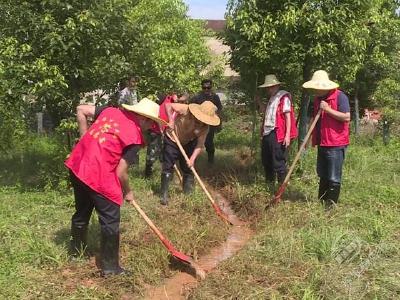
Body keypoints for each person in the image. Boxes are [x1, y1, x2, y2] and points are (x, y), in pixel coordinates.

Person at [65, 98, 165, 276]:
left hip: (78, 164)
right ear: (144, 118)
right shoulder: (134, 136)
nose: (151, 127)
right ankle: (110, 268)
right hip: (97, 172)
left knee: (82, 211)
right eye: (151, 123)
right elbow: (120, 172)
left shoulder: (109, 111)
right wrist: (128, 192)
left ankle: (76, 253)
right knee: (110, 219)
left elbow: (81, 108)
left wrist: (83, 138)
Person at [302, 70, 350, 208]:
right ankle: (321, 202)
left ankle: (331, 206)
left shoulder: (340, 97)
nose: (315, 90)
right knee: (323, 173)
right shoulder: (318, 99)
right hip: (323, 142)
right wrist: (307, 138)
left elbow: (346, 117)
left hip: (336, 143)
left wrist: (328, 109)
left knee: (334, 176)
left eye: (317, 88)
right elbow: (314, 119)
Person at [160, 101, 220, 205]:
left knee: (187, 169)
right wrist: (171, 120)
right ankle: (164, 195)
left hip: (188, 143)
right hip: (172, 138)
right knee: (168, 166)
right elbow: (168, 105)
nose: (200, 122)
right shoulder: (186, 109)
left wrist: (192, 159)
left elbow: (200, 145)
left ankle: (188, 195)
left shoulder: (205, 128)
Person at [258, 74, 298, 193]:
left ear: (276, 86)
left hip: (277, 132)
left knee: (278, 160)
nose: (269, 89)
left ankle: (282, 188)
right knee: (266, 159)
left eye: (271, 87)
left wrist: (286, 135)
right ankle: (269, 185)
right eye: (267, 87)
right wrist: (259, 102)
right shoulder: (272, 98)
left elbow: (287, 116)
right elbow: (265, 112)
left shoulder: (283, 98)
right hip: (268, 132)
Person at [144, 92, 190, 178]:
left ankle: (167, 175)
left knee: (167, 155)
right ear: (175, 94)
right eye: (180, 100)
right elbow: (155, 112)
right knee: (152, 153)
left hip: (168, 133)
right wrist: (160, 126)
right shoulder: (164, 98)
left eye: (183, 101)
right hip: (156, 130)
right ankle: (148, 174)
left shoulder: (180, 106)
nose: (180, 102)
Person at [190, 79, 222, 164]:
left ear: (211, 87)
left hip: (209, 123)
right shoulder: (197, 97)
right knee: (194, 142)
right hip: (197, 123)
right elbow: (190, 107)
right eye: (204, 88)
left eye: (208, 87)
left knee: (209, 142)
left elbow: (219, 110)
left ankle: (210, 161)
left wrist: (219, 124)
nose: (206, 89)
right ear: (202, 87)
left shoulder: (215, 97)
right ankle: (192, 161)